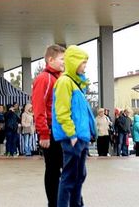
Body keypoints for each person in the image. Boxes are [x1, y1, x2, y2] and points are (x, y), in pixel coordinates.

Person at [52, 45, 96, 207]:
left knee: (79, 176)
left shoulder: (76, 84)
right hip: (73, 137)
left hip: (80, 137)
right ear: (74, 62)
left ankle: (76, 204)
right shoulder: (65, 82)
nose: (85, 66)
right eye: (83, 62)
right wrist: (71, 134)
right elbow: (62, 111)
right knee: (70, 177)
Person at [32, 44, 65, 207]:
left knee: (61, 168)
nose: (64, 62)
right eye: (62, 59)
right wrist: (44, 133)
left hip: (60, 130)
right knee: (53, 169)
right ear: (50, 60)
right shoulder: (44, 78)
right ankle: (53, 203)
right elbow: (39, 107)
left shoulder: (60, 78)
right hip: (51, 130)